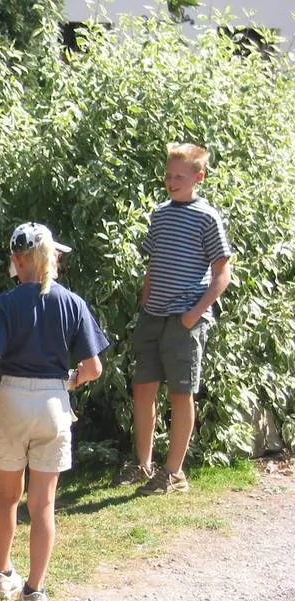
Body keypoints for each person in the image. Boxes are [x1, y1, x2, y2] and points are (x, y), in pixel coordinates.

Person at [0, 223, 109, 601]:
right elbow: (94, 367)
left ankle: (1, 574)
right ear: (52, 257)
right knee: (43, 503)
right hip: (52, 400)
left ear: (16, 261)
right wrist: (68, 380)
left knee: (7, 495)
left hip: (12, 397)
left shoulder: (5, 304)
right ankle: (35, 591)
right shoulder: (72, 302)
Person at [115, 142, 232, 495]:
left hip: (185, 319)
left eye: (178, 176)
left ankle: (173, 473)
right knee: (143, 389)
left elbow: (222, 274)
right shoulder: (161, 213)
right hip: (153, 316)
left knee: (181, 394)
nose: (170, 181)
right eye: (167, 175)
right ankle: (143, 464)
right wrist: (146, 300)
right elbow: (153, 262)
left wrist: (194, 315)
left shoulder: (207, 217)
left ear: (199, 177)